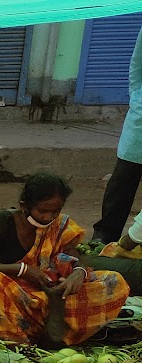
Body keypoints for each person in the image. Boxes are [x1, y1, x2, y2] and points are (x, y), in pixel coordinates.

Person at [0, 174, 130, 347]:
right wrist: (22, 270)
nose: (49, 217)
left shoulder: (60, 225)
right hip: (7, 297)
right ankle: (9, 340)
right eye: (42, 211)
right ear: (24, 205)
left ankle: (47, 332)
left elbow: (73, 256)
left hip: (47, 297)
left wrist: (78, 272)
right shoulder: (3, 222)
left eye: (56, 211)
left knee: (113, 281)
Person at [94, 26, 142, 245]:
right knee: (121, 186)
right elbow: (137, 63)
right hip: (139, 124)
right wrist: (137, 96)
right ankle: (104, 237)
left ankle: (136, 239)